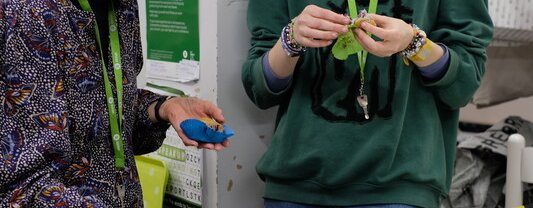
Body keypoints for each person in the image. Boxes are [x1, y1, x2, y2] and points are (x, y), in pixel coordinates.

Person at [242, 0, 493, 207]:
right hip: (294, 187)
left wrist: (415, 43)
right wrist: (290, 39)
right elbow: (260, 89)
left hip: (398, 188)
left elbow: (464, 84)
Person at [0, 0, 229, 207]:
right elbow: (22, 189)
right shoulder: (25, 13)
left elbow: (105, 109)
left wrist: (162, 108)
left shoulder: (122, 7)